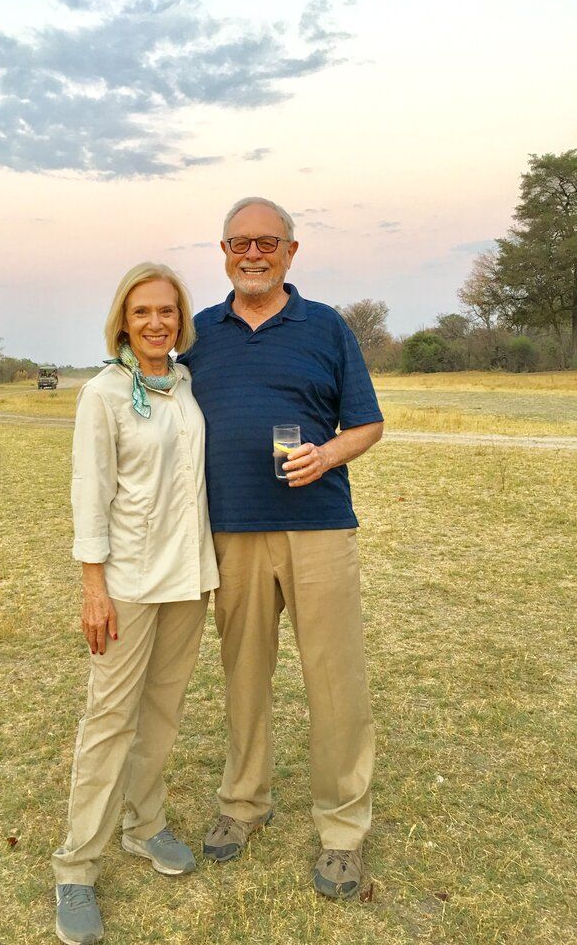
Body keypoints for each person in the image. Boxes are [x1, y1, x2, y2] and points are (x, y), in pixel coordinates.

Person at [178, 196, 384, 900]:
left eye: (268, 241)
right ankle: (243, 804)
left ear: (292, 252)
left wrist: (326, 456)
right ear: (224, 253)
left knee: (335, 681)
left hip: (318, 529)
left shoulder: (326, 327)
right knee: (243, 675)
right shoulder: (198, 334)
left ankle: (343, 830)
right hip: (230, 529)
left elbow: (368, 425)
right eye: (240, 243)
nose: (254, 253)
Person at [52, 263, 219, 945]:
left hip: (188, 577)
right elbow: (89, 492)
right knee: (110, 719)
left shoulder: (183, 384)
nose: (157, 323)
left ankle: (143, 825)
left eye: (169, 313)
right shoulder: (104, 392)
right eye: (144, 312)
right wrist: (94, 586)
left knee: (163, 710)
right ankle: (75, 869)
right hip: (127, 582)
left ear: (182, 323)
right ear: (124, 319)